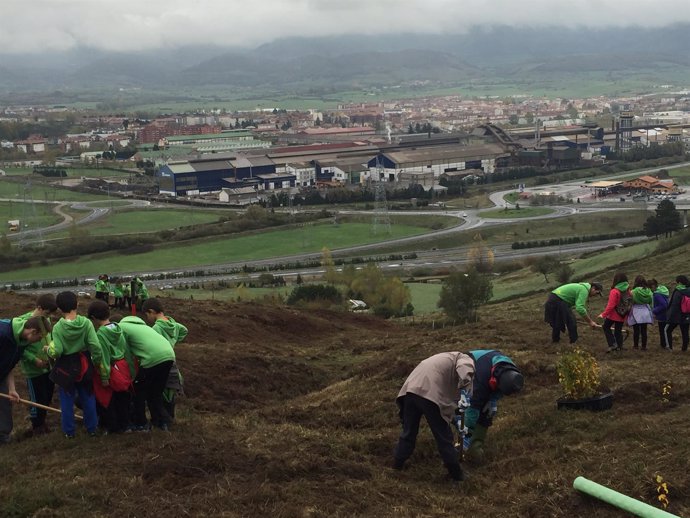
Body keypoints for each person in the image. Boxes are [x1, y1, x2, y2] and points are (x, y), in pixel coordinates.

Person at [393, 350, 523, 481]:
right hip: (428, 393)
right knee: (444, 436)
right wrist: (466, 388)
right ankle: (457, 474)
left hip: (410, 390)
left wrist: (457, 417)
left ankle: (397, 464)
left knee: (409, 432)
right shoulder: (466, 360)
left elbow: (447, 398)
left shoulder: (446, 359)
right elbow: (464, 369)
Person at [45, 291, 109, 439]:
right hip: (85, 363)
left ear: (60, 309)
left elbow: (58, 351)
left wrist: (49, 350)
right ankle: (92, 428)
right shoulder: (86, 323)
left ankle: (69, 432)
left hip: (66, 366)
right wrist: (96, 362)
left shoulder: (58, 327)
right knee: (88, 396)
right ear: (77, 304)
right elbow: (95, 347)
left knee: (67, 399)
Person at [461, 349, 524, 465]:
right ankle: (462, 443)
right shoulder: (481, 378)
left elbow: (498, 389)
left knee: (488, 413)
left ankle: (476, 447)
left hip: (488, 375)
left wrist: (493, 400)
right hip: (467, 368)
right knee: (467, 411)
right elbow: (473, 406)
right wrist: (468, 430)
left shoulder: (512, 372)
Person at [118, 315, 175, 431]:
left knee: (139, 391)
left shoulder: (121, 328)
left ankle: (141, 424)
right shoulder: (143, 326)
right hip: (169, 355)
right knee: (155, 393)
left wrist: (132, 377)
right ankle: (161, 422)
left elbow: (128, 356)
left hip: (152, 359)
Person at [0, 316, 52, 444]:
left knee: (4, 403)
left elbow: (8, 364)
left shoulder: (22, 341)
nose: (38, 341)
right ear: (33, 332)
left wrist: (12, 389)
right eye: (39, 338)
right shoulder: (3, 334)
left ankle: (2, 436)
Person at [87, 300, 135, 434]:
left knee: (109, 399)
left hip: (112, 369)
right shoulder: (118, 328)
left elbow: (104, 357)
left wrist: (104, 376)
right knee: (124, 398)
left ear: (94, 318)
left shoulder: (101, 334)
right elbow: (126, 350)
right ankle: (126, 425)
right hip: (123, 366)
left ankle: (114, 427)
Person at [18, 293, 58, 436]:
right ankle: (37, 426)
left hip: (49, 367)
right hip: (33, 371)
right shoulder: (24, 323)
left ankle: (43, 422)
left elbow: (51, 338)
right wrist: (34, 360)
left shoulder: (46, 320)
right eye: (47, 312)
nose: (49, 316)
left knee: (47, 397)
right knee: (37, 399)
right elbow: (20, 348)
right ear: (39, 308)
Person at [141, 298, 187, 422]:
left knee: (162, 392)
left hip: (161, 362)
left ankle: (165, 420)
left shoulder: (156, 328)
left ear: (151, 312)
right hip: (172, 361)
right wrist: (173, 341)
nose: (147, 319)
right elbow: (184, 330)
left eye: (147, 315)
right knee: (170, 393)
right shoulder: (173, 323)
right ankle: (171, 416)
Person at [599, 272, 631, 352]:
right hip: (622, 315)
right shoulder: (628, 290)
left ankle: (613, 344)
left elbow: (611, 305)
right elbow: (629, 303)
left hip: (613, 315)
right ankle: (620, 346)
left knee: (606, 327)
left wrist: (603, 315)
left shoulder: (614, 291)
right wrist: (627, 317)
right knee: (618, 331)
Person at [664, 275, 690, 351]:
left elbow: (674, 305)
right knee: (685, 332)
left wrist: (669, 316)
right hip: (687, 314)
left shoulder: (678, 291)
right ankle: (684, 349)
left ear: (679, 282)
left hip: (677, 315)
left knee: (667, 330)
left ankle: (669, 348)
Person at [627, 275, 653, 351]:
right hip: (645, 310)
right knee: (644, 330)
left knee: (636, 330)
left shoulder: (634, 291)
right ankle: (644, 346)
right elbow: (651, 302)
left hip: (636, 310)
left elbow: (631, 301)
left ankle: (635, 346)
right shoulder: (649, 291)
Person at [650, 279, 670, 349]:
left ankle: (664, 345)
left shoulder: (657, 295)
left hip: (662, 316)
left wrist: (654, 310)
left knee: (662, 330)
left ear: (652, 286)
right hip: (666, 314)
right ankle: (665, 344)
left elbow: (664, 305)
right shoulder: (662, 292)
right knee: (665, 330)